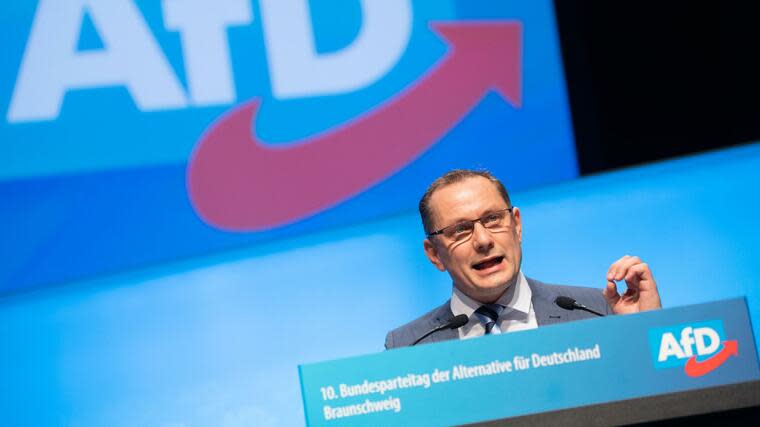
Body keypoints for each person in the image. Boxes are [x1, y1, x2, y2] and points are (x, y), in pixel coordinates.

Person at [385, 170, 662, 349]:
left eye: (493, 219)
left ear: (516, 225)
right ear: (434, 254)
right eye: (460, 230)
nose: (483, 240)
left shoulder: (596, 312)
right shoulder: (408, 346)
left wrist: (644, 334)